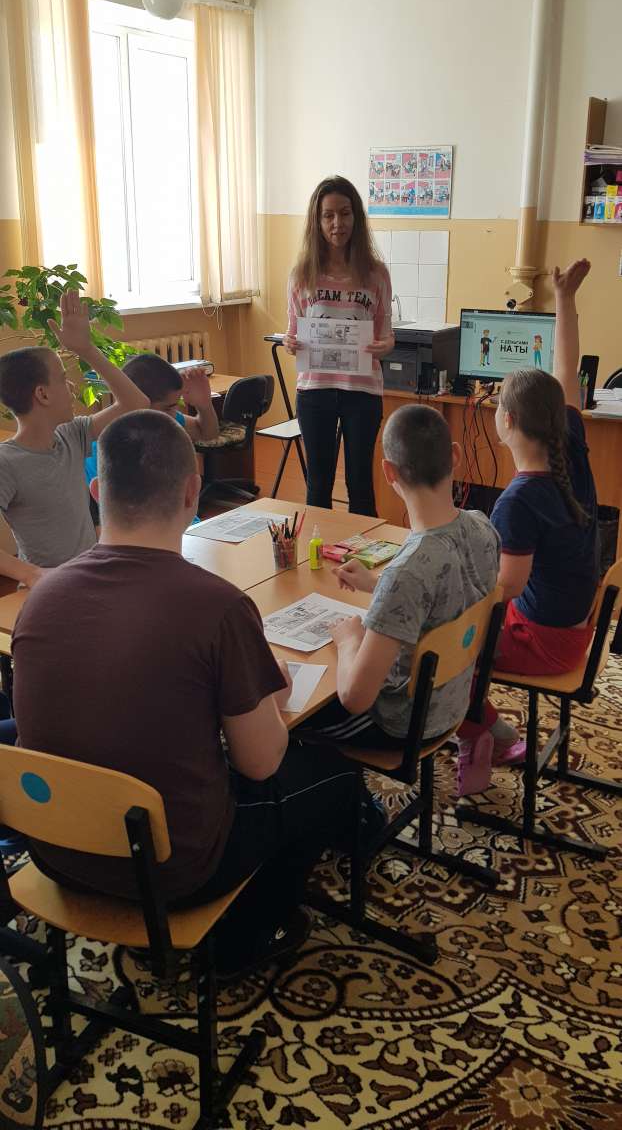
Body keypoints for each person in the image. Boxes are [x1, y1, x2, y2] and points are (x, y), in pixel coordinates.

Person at [12, 410, 372, 978]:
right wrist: (272, 699)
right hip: (173, 872)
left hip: (55, 853)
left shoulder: (41, 598)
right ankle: (251, 931)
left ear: (96, 491)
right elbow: (260, 763)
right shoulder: (217, 607)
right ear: (191, 491)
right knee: (334, 775)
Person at [456, 258, 600, 793]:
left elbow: (503, 593)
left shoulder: (518, 500)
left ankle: (482, 736)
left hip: (548, 641)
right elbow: (567, 370)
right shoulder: (570, 447)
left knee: (444, 649)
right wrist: (564, 297)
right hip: (573, 627)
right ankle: (492, 728)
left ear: (509, 421)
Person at [300, 405, 500, 759]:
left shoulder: (407, 572)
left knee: (296, 711)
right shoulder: (482, 525)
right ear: (455, 455)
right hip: (454, 703)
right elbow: (445, 594)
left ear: (388, 471)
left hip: (402, 724)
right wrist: (377, 584)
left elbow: (355, 698)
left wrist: (349, 639)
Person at [0, 291, 148, 587]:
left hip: (88, 574)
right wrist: (31, 574)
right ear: (42, 394)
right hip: (51, 588)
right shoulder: (7, 462)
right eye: (61, 378)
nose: (70, 386)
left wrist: (87, 349)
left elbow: (137, 403)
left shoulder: (70, 435)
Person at [284, 175, 394, 515]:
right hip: (314, 391)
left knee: (360, 484)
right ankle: (318, 547)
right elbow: (292, 332)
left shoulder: (376, 274)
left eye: (345, 214)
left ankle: (364, 549)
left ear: (356, 217)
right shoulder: (301, 274)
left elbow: (387, 335)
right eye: (328, 215)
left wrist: (384, 346)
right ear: (317, 222)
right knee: (318, 484)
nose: (337, 223)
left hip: (362, 392)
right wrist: (290, 342)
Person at [83, 353, 220, 484]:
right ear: (139, 403)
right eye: (168, 407)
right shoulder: (104, 445)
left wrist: (204, 405)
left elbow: (207, 433)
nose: (174, 414)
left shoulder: (163, 419)